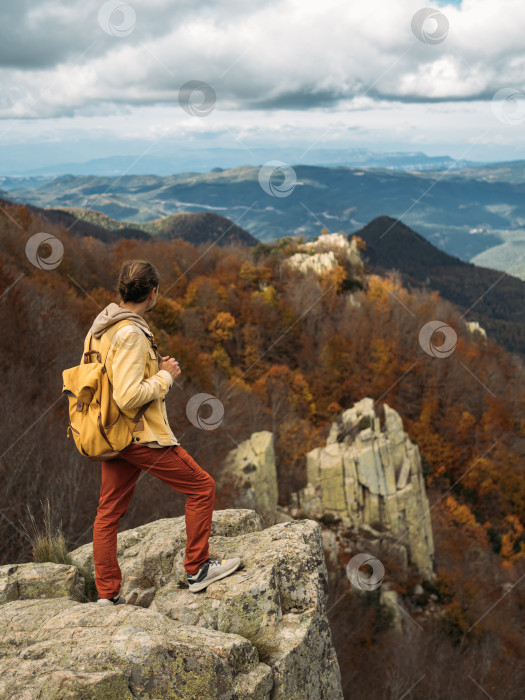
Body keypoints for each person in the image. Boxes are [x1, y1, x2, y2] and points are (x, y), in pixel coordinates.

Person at [88, 259, 241, 605]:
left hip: (112, 434)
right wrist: (165, 376)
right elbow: (127, 398)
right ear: (153, 292)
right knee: (202, 488)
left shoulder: (102, 326)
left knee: (108, 513)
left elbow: (109, 380)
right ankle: (197, 568)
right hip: (140, 434)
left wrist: (151, 369)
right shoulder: (130, 334)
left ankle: (107, 595)